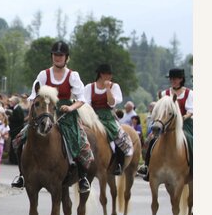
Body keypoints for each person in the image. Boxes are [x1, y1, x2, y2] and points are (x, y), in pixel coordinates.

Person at [10, 40, 93, 193]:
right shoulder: (43, 74)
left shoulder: (72, 75)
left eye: (61, 55)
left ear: (66, 57)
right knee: (17, 140)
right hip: (44, 113)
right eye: (55, 55)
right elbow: (34, 96)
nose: (58, 58)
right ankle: (22, 175)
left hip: (65, 114)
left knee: (82, 145)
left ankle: (82, 178)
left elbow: (81, 99)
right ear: (52, 56)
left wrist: (70, 107)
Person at [138, 68, 193, 179]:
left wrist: (182, 118)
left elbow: (190, 111)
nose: (173, 81)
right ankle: (147, 166)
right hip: (166, 125)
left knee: (191, 140)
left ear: (181, 79)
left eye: (175, 79)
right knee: (152, 140)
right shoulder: (164, 93)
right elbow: (159, 109)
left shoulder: (189, 93)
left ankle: (192, 167)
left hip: (184, 124)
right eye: (171, 79)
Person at [81, 64, 133, 175]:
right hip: (92, 118)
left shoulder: (115, 87)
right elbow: (86, 105)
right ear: (101, 74)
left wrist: (108, 89)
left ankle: (118, 163)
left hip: (109, 118)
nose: (110, 76)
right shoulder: (89, 88)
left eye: (110, 74)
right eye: (108, 74)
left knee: (119, 138)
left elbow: (111, 103)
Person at [7, 95, 25, 164]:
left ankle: (14, 160)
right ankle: (12, 159)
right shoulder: (16, 108)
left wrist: (10, 117)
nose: (10, 102)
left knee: (14, 144)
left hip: (16, 129)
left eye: (11, 101)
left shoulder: (18, 109)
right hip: (15, 129)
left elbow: (19, 119)